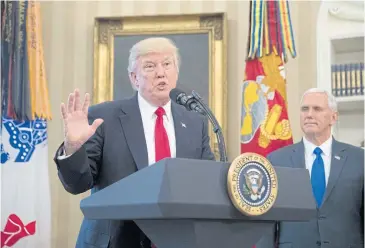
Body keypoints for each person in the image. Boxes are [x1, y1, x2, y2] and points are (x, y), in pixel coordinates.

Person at [53, 37, 215, 248]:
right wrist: (73, 148)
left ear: (175, 73)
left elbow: (206, 183)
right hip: (116, 241)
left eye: (167, 64)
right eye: (149, 66)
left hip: (177, 240)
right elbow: (78, 184)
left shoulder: (195, 122)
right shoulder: (104, 117)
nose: (160, 72)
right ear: (134, 78)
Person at [258, 88, 364, 248]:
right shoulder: (277, 160)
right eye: (304, 109)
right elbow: (266, 223)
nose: (309, 114)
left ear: (333, 117)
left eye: (317, 109)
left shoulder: (358, 159)